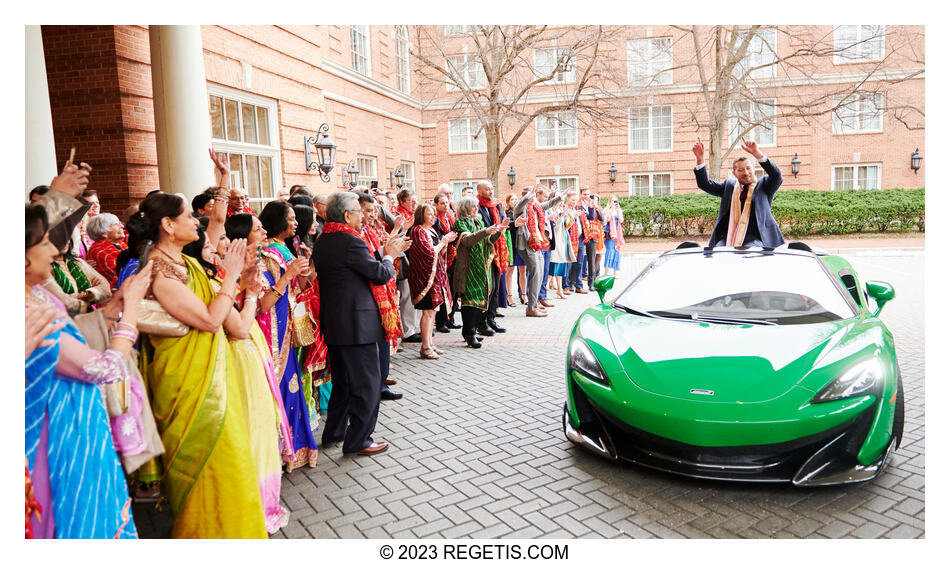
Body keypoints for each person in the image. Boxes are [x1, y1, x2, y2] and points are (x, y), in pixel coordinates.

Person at [134, 191, 267, 538]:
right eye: (188, 217)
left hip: (214, 379)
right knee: (209, 470)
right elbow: (210, 321)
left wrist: (243, 283)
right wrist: (232, 275)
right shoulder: (159, 273)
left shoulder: (187, 264)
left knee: (234, 466)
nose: (196, 221)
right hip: (188, 388)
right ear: (167, 224)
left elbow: (232, 325)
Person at [26, 179, 150, 539]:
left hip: (79, 423)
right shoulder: (25, 310)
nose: (55, 249)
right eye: (45, 242)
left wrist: (114, 306)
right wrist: (131, 313)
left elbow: (77, 323)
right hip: (59, 438)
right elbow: (105, 368)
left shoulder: (37, 295)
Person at [313, 191, 410, 455]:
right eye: (358, 211)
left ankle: (334, 431)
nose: (361, 216)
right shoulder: (349, 241)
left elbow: (357, 264)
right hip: (358, 325)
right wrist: (389, 256)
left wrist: (382, 250)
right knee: (367, 384)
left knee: (343, 383)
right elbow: (379, 274)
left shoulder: (325, 240)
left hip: (336, 323)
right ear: (347, 215)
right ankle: (359, 440)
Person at [212, 218, 292, 534]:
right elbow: (244, 321)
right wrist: (251, 292)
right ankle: (254, 501)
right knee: (253, 427)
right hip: (240, 350)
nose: (220, 250)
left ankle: (260, 499)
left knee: (261, 424)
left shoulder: (238, 269)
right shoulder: (218, 278)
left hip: (250, 345)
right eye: (217, 245)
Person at [257, 201, 320, 471]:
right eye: (291, 218)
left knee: (294, 382)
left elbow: (300, 287)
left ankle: (296, 447)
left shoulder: (284, 249)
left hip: (290, 323)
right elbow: (266, 300)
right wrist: (292, 274)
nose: (296, 223)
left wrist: (308, 267)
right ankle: (284, 448)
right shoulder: (270, 254)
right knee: (283, 382)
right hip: (276, 327)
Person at [692, 137, 785, 248]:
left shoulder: (764, 186)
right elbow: (704, 184)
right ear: (734, 173)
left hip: (755, 240)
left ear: (753, 169)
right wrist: (700, 159)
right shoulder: (728, 186)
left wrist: (757, 153)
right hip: (728, 239)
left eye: (748, 168)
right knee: (718, 253)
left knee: (750, 253)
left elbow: (776, 176)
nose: (746, 173)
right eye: (740, 170)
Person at [357, 192, 403, 400]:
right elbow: (373, 261)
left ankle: (382, 384)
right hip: (370, 297)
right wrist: (388, 254)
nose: (372, 214)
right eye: (367, 210)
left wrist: (391, 248)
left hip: (383, 291)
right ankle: (375, 388)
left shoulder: (370, 230)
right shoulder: (355, 236)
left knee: (384, 344)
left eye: (374, 209)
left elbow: (378, 253)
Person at [452, 196, 508, 348]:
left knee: (480, 300)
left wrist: (499, 231)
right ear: (465, 208)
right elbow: (468, 241)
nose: (476, 208)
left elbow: (487, 240)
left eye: (477, 206)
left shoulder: (478, 221)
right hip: (468, 268)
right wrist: (485, 231)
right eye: (473, 206)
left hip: (482, 266)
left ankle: (472, 330)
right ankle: (469, 334)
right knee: (470, 302)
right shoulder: (460, 223)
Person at [407, 203, 457, 360]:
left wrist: (445, 243)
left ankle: (430, 343)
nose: (433, 217)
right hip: (425, 277)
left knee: (433, 310)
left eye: (434, 214)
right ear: (421, 215)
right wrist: (443, 241)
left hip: (436, 274)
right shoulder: (417, 231)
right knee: (428, 311)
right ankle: (425, 346)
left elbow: (439, 252)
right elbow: (428, 253)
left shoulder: (431, 230)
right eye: (429, 214)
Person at [513, 185, 562, 317]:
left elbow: (548, 203)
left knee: (540, 275)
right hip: (526, 244)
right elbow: (521, 203)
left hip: (537, 244)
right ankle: (531, 308)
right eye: (532, 196)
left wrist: (560, 197)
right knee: (535, 274)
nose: (534, 199)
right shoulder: (520, 207)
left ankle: (534, 305)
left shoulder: (536, 207)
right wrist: (529, 195)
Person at [475, 181, 511, 335]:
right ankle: (481, 323)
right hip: (485, 251)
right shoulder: (476, 205)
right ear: (479, 190)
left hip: (498, 250)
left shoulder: (496, 205)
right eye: (487, 189)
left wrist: (515, 224)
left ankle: (491, 319)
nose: (490, 191)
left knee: (496, 287)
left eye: (491, 188)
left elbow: (502, 223)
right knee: (487, 288)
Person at [43, 238, 112, 316]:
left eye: (67, 236)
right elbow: (62, 302)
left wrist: (85, 295)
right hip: (65, 321)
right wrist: (89, 296)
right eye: (60, 237)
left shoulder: (78, 262)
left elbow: (106, 288)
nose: (66, 240)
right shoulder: (45, 269)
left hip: (89, 317)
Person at [394, 188, 421, 343]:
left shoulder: (414, 216)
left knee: (413, 295)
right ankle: (407, 330)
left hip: (415, 260)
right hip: (403, 261)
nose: (414, 204)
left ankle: (413, 327)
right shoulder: (398, 217)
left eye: (416, 200)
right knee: (406, 296)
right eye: (411, 201)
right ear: (402, 202)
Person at [433, 193, 461, 332]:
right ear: (436, 205)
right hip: (442, 258)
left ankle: (451, 318)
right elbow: (438, 238)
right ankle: (441, 321)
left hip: (452, 255)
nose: (445, 205)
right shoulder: (435, 219)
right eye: (442, 203)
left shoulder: (449, 216)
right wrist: (446, 239)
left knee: (454, 290)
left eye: (447, 202)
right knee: (444, 290)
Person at [85, 213, 128, 289]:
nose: (122, 226)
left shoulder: (120, 244)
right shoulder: (99, 251)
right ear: (104, 233)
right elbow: (120, 275)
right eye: (116, 224)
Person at [549, 191, 579, 298]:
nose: (561, 202)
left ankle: (560, 290)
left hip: (563, 239)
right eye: (560, 200)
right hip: (556, 240)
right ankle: (546, 290)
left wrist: (573, 217)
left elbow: (566, 226)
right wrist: (561, 215)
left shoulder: (560, 210)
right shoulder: (551, 210)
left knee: (562, 264)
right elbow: (553, 226)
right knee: (553, 265)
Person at [603, 196, 625, 276]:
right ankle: (606, 272)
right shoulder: (606, 210)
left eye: (615, 201)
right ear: (609, 201)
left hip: (617, 233)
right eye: (612, 200)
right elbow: (606, 220)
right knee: (610, 251)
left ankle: (615, 272)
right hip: (609, 233)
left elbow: (621, 220)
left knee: (616, 251)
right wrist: (611, 210)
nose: (614, 202)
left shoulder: (618, 210)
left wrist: (618, 210)